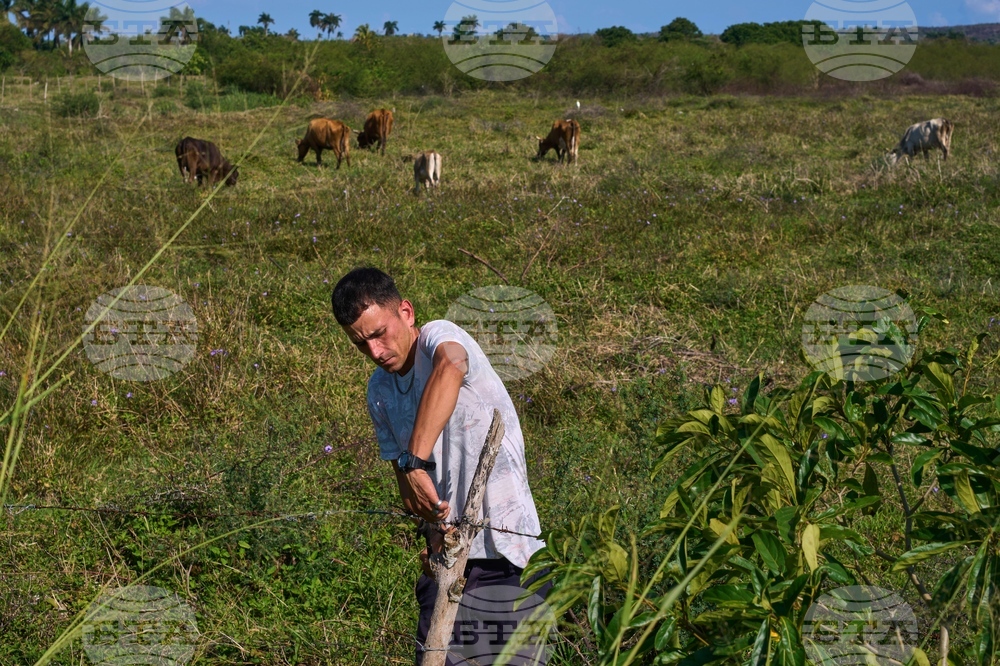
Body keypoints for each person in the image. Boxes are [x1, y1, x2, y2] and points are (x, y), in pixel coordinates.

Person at [331, 267, 547, 665]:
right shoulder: (379, 392)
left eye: (379, 334)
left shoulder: (439, 339)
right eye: (361, 344)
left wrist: (414, 459)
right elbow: (409, 487)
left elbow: (452, 367)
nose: (376, 352)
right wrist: (428, 519)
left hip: (507, 552)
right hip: (448, 562)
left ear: (406, 313)